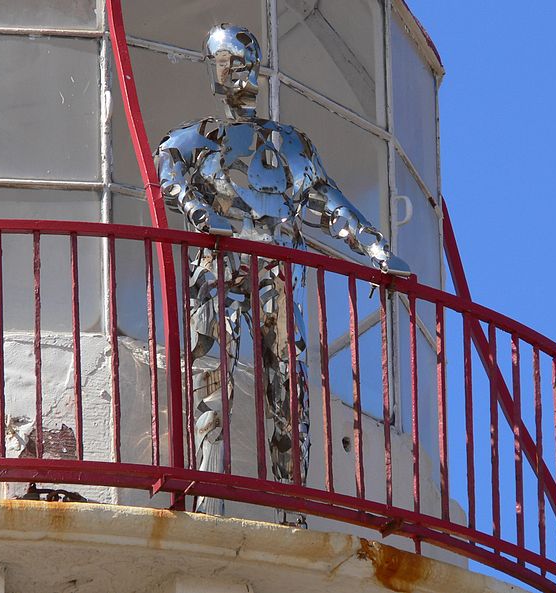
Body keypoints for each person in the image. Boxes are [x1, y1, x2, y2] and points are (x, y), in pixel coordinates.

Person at [155, 23, 409, 521]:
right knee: (211, 379)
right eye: (227, 63)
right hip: (217, 269)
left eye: (244, 61)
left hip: (277, 269)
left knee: (288, 388)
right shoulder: (190, 141)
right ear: (215, 72)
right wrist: (197, 210)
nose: (239, 74)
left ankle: (293, 506)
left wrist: (377, 250)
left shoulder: (290, 145)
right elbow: (167, 173)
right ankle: (209, 497)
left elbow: (331, 204)